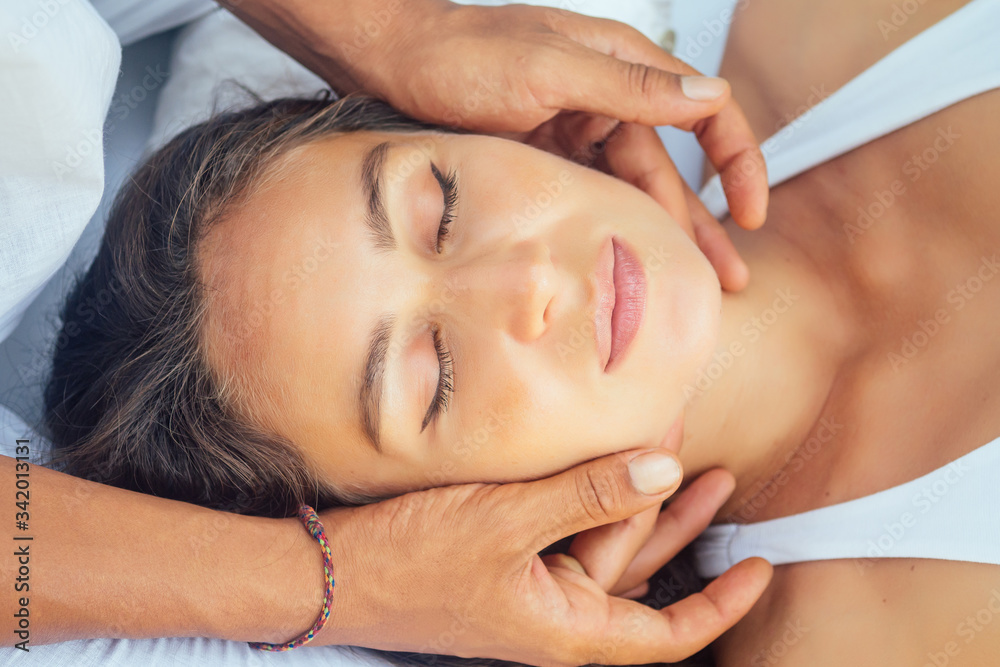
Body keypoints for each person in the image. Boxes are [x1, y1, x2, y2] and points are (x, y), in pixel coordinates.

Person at [40, 0, 1000, 664]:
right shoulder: (870, 639)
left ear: (475, 126)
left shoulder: (829, 29)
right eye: (434, 374)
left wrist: (408, 30)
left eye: (441, 206)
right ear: (449, 531)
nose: (529, 280)